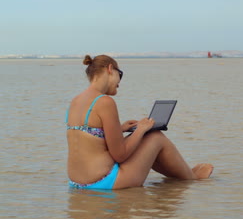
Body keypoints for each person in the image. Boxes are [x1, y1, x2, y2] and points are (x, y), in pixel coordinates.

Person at [66, 55, 213, 189]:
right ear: (110, 69)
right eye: (120, 75)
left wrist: (120, 129)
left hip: (77, 183)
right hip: (104, 182)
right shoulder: (105, 101)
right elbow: (120, 155)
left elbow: (89, 139)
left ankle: (181, 175)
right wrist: (141, 129)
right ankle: (191, 178)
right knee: (155, 137)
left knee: (144, 141)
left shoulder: (76, 101)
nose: (119, 83)